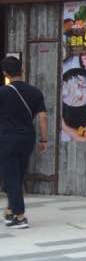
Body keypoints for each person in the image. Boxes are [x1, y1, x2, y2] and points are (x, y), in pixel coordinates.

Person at [0, 55, 48, 230]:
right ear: (22, 69)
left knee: (11, 176)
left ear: (5, 73)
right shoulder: (35, 92)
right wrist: (44, 139)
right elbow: (42, 118)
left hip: (7, 139)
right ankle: (10, 210)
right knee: (17, 175)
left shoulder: (2, 93)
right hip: (27, 139)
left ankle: (20, 217)